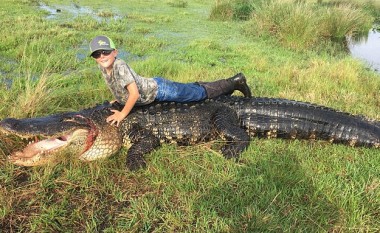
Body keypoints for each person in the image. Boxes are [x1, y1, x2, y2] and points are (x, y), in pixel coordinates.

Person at [89, 35, 252, 126]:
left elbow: (134, 94)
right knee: (191, 90)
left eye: (105, 51)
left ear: (115, 52)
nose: (102, 56)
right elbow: (118, 86)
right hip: (155, 88)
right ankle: (225, 88)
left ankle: (235, 82)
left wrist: (122, 114)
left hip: (160, 90)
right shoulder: (103, 67)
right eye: (97, 54)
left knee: (199, 94)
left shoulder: (120, 66)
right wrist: (118, 98)